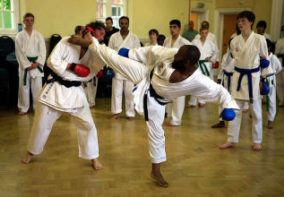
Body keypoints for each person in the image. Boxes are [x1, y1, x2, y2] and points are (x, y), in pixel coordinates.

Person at [68, 33, 239, 188]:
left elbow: (220, 91)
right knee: (113, 57)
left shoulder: (199, 81)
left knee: (157, 135)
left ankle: (155, 171)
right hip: (144, 76)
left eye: (178, 55)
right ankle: (86, 42)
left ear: (187, 62)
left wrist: (228, 107)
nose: (175, 55)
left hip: (157, 101)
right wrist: (130, 54)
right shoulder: (173, 54)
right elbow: (152, 50)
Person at [21, 21, 106, 171]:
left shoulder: (95, 51)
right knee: (41, 124)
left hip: (75, 92)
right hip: (55, 88)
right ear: (89, 32)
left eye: (102, 36)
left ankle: (93, 157)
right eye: (99, 34)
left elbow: (92, 71)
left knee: (88, 125)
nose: (99, 39)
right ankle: (30, 153)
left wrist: (90, 66)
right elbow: (51, 61)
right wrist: (71, 66)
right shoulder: (66, 41)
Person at [219, 11, 273, 151]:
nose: (240, 23)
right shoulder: (235, 41)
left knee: (255, 111)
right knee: (235, 110)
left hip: (253, 78)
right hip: (238, 77)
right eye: (239, 21)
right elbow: (231, 60)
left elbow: (264, 60)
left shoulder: (259, 39)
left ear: (251, 22)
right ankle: (231, 139)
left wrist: (263, 78)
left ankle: (257, 140)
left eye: (243, 20)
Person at [108, 16, 140, 120]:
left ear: (128, 24)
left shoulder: (134, 37)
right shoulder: (113, 37)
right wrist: (111, 66)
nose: (124, 25)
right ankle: (116, 112)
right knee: (116, 91)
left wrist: (136, 67)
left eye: (126, 23)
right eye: (122, 23)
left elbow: (138, 53)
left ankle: (130, 113)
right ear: (119, 24)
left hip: (129, 68)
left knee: (129, 92)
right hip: (117, 67)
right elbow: (109, 53)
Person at [15, 13, 46, 115]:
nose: (29, 22)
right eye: (27, 20)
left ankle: (37, 107)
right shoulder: (19, 36)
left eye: (31, 20)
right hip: (25, 65)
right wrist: (27, 65)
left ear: (33, 22)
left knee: (37, 87)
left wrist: (37, 63)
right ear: (24, 21)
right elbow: (18, 52)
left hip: (36, 65)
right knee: (23, 87)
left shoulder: (39, 35)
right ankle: (23, 107)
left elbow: (43, 51)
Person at [163, 19, 191, 126]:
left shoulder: (185, 42)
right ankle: (169, 116)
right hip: (169, 71)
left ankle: (176, 119)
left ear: (179, 29)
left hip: (180, 71)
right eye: (170, 27)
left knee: (179, 96)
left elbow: (192, 56)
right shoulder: (166, 40)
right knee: (169, 94)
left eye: (174, 27)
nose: (172, 29)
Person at [189, 27, 218, 108]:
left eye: (206, 33)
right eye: (202, 33)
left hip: (206, 64)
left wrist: (211, 59)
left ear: (207, 34)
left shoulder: (210, 43)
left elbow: (216, 52)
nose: (204, 34)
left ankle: (202, 101)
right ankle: (192, 102)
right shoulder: (195, 42)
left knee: (204, 83)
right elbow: (189, 50)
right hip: (197, 64)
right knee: (194, 82)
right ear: (200, 33)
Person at [212, 39, 235, 128]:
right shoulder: (226, 56)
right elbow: (222, 69)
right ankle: (221, 121)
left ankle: (233, 121)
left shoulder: (240, 56)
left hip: (235, 80)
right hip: (225, 79)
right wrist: (219, 79)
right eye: (231, 45)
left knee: (234, 101)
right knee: (221, 99)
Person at [265, 39, 282, 128]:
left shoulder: (273, 58)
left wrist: (272, 74)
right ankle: (255, 114)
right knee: (256, 98)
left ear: (269, 48)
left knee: (271, 100)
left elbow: (279, 68)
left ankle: (270, 120)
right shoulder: (258, 57)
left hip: (270, 78)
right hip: (259, 79)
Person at [275, 25, 284, 106]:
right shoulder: (279, 41)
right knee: (279, 83)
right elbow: (276, 52)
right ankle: (281, 100)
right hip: (280, 62)